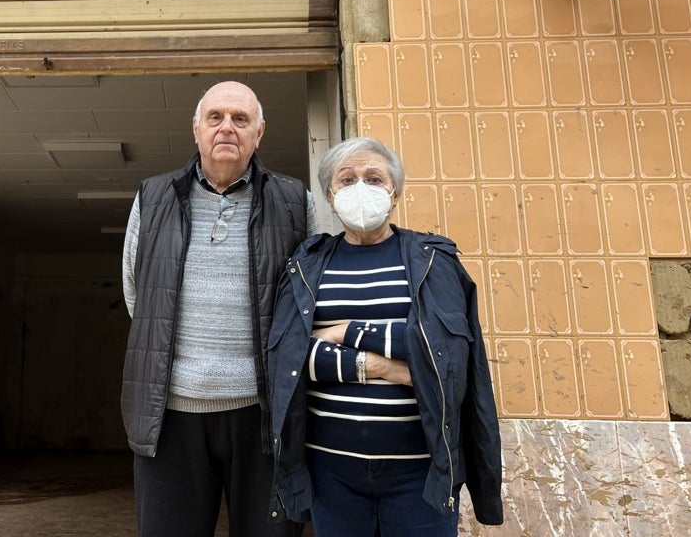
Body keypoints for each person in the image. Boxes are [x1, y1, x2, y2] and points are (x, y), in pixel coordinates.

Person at [268, 136, 504, 536]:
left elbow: (445, 353)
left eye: (374, 178)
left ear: (394, 193)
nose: (360, 188)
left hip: (421, 473)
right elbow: (289, 357)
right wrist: (384, 367)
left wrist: (345, 331)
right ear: (329, 194)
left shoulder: (434, 260)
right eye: (347, 179)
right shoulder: (304, 266)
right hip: (331, 472)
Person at [121, 80, 319, 537]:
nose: (226, 127)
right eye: (215, 117)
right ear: (196, 129)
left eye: (240, 119)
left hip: (264, 413)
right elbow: (138, 294)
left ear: (259, 133)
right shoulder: (152, 198)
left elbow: (308, 300)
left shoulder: (294, 201)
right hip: (169, 414)